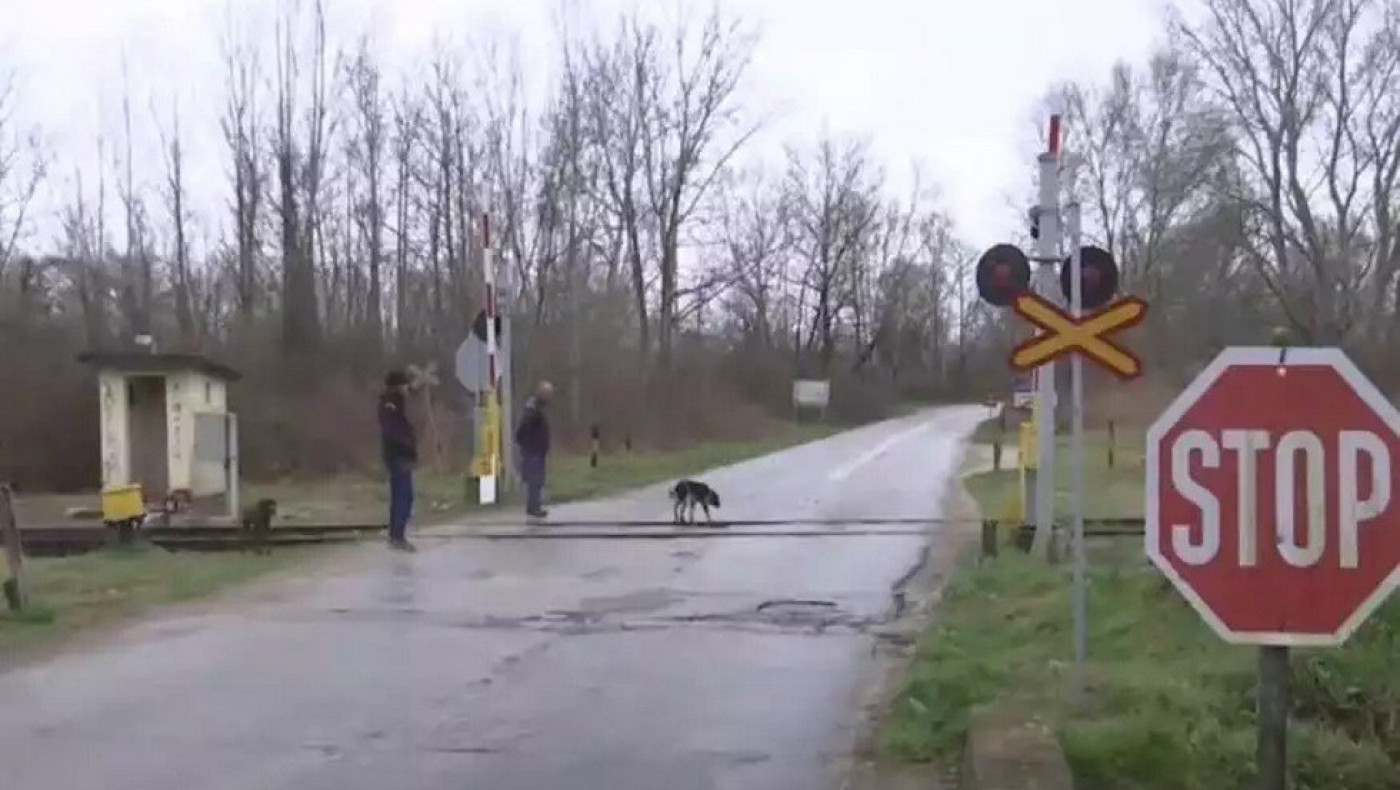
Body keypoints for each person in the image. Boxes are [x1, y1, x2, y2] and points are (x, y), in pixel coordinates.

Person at [378, 369, 418, 552]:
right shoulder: (391, 403)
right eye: (404, 384)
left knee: (400, 496)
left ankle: (396, 535)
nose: (406, 387)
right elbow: (395, 431)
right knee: (404, 496)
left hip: (396, 454)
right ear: (397, 385)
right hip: (398, 455)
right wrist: (408, 447)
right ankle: (397, 536)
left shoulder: (394, 402)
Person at [515, 380, 554, 519]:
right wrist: (524, 442)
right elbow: (524, 427)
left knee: (537, 479)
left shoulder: (537, 408)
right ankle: (533, 507)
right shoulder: (533, 408)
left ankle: (535, 505)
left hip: (537, 449)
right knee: (534, 479)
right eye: (548, 394)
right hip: (532, 449)